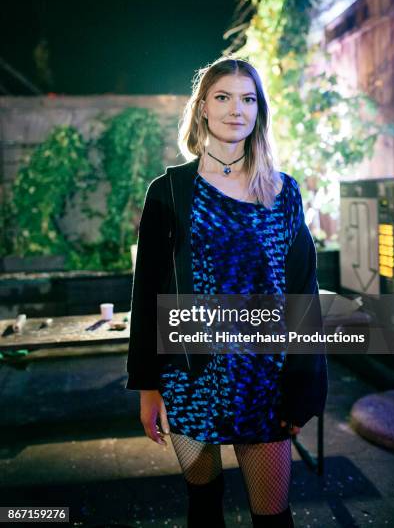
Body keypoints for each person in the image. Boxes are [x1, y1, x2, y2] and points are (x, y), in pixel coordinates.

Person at [126, 57, 328, 527]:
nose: (236, 109)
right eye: (223, 97)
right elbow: (148, 295)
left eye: (248, 98)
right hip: (189, 375)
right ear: (202, 109)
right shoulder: (170, 192)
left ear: (259, 111)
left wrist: (303, 386)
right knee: (203, 507)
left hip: (264, 378)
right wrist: (147, 387)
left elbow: (302, 294)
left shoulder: (283, 192)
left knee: (272, 516)